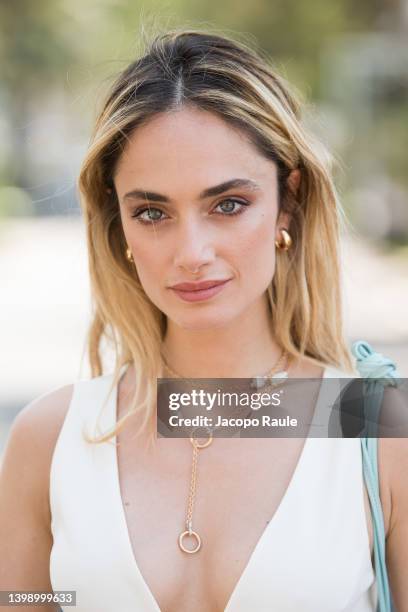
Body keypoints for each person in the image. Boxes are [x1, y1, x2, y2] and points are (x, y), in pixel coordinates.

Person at [0, 28, 407, 612]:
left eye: (228, 205)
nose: (191, 251)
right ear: (120, 228)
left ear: (286, 201)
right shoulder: (48, 441)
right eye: (151, 211)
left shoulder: (377, 427)